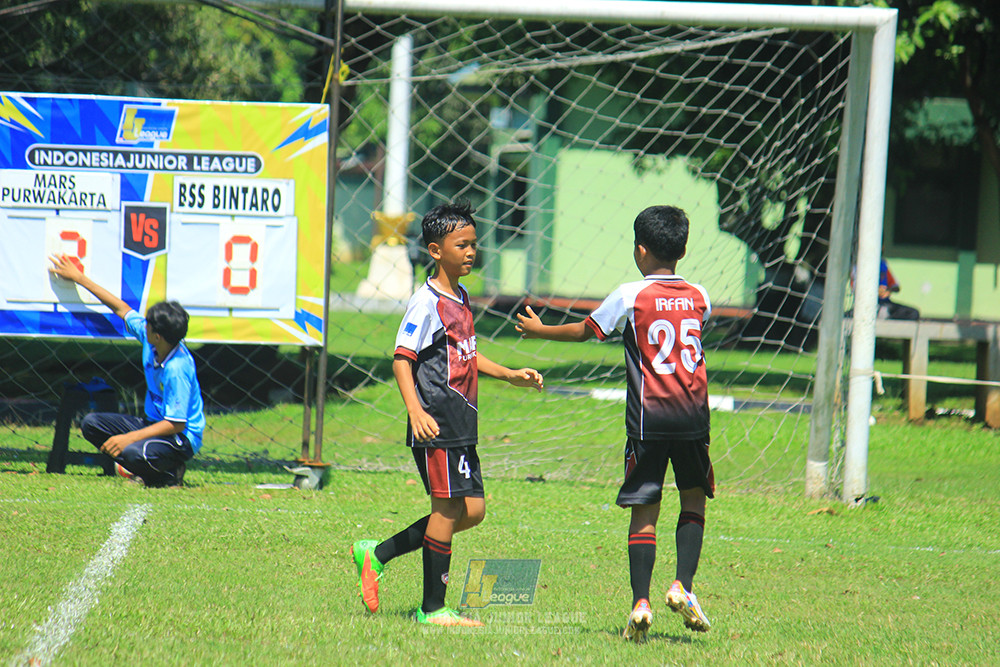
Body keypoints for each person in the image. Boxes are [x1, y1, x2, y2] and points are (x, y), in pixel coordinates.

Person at [516, 205, 713, 642]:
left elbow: (588, 330)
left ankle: (641, 602)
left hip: (648, 419)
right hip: (694, 418)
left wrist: (540, 329)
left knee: (645, 510)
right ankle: (683, 585)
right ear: (682, 248)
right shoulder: (700, 296)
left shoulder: (630, 295)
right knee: (693, 499)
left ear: (640, 250)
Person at [351, 200, 543, 627]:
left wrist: (508, 374)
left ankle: (376, 554)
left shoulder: (461, 295)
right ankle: (433, 609)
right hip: (435, 420)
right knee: (446, 510)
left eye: (474, 244)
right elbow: (402, 360)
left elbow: (466, 355)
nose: (472, 252)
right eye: (462, 244)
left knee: (471, 512)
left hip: (461, 421)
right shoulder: (425, 302)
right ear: (436, 250)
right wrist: (415, 410)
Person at [48, 254, 204, 487]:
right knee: (91, 424)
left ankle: (168, 473)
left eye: (148, 323)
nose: (143, 324)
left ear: (158, 335)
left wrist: (128, 438)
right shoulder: (153, 340)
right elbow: (121, 308)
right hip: (152, 424)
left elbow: (176, 423)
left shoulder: (177, 368)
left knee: (131, 452)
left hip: (179, 438)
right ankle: (154, 470)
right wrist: (80, 278)